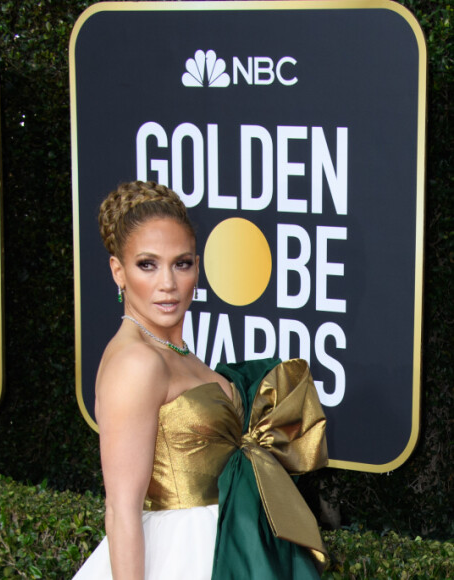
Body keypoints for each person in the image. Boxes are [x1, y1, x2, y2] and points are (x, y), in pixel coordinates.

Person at [73, 181, 328, 580]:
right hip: (177, 557)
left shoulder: (173, 351)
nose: (168, 284)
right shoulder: (136, 363)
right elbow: (121, 509)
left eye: (182, 263)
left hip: (223, 549)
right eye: (147, 264)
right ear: (117, 271)